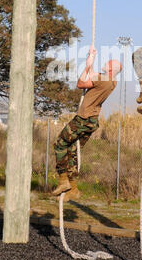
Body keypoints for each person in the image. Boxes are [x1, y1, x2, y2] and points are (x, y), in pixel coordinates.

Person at [52, 46, 122, 202]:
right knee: (72, 152)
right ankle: (74, 189)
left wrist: (89, 65)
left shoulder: (103, 79)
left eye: (108, 63)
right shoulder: (112, 81)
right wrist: (90, 60)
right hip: (92, 121)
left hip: (83, 119)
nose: (106, 63)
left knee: (59, 144)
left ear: (111, 69)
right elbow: (91, 75)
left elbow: (81, 83)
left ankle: (63, 180)